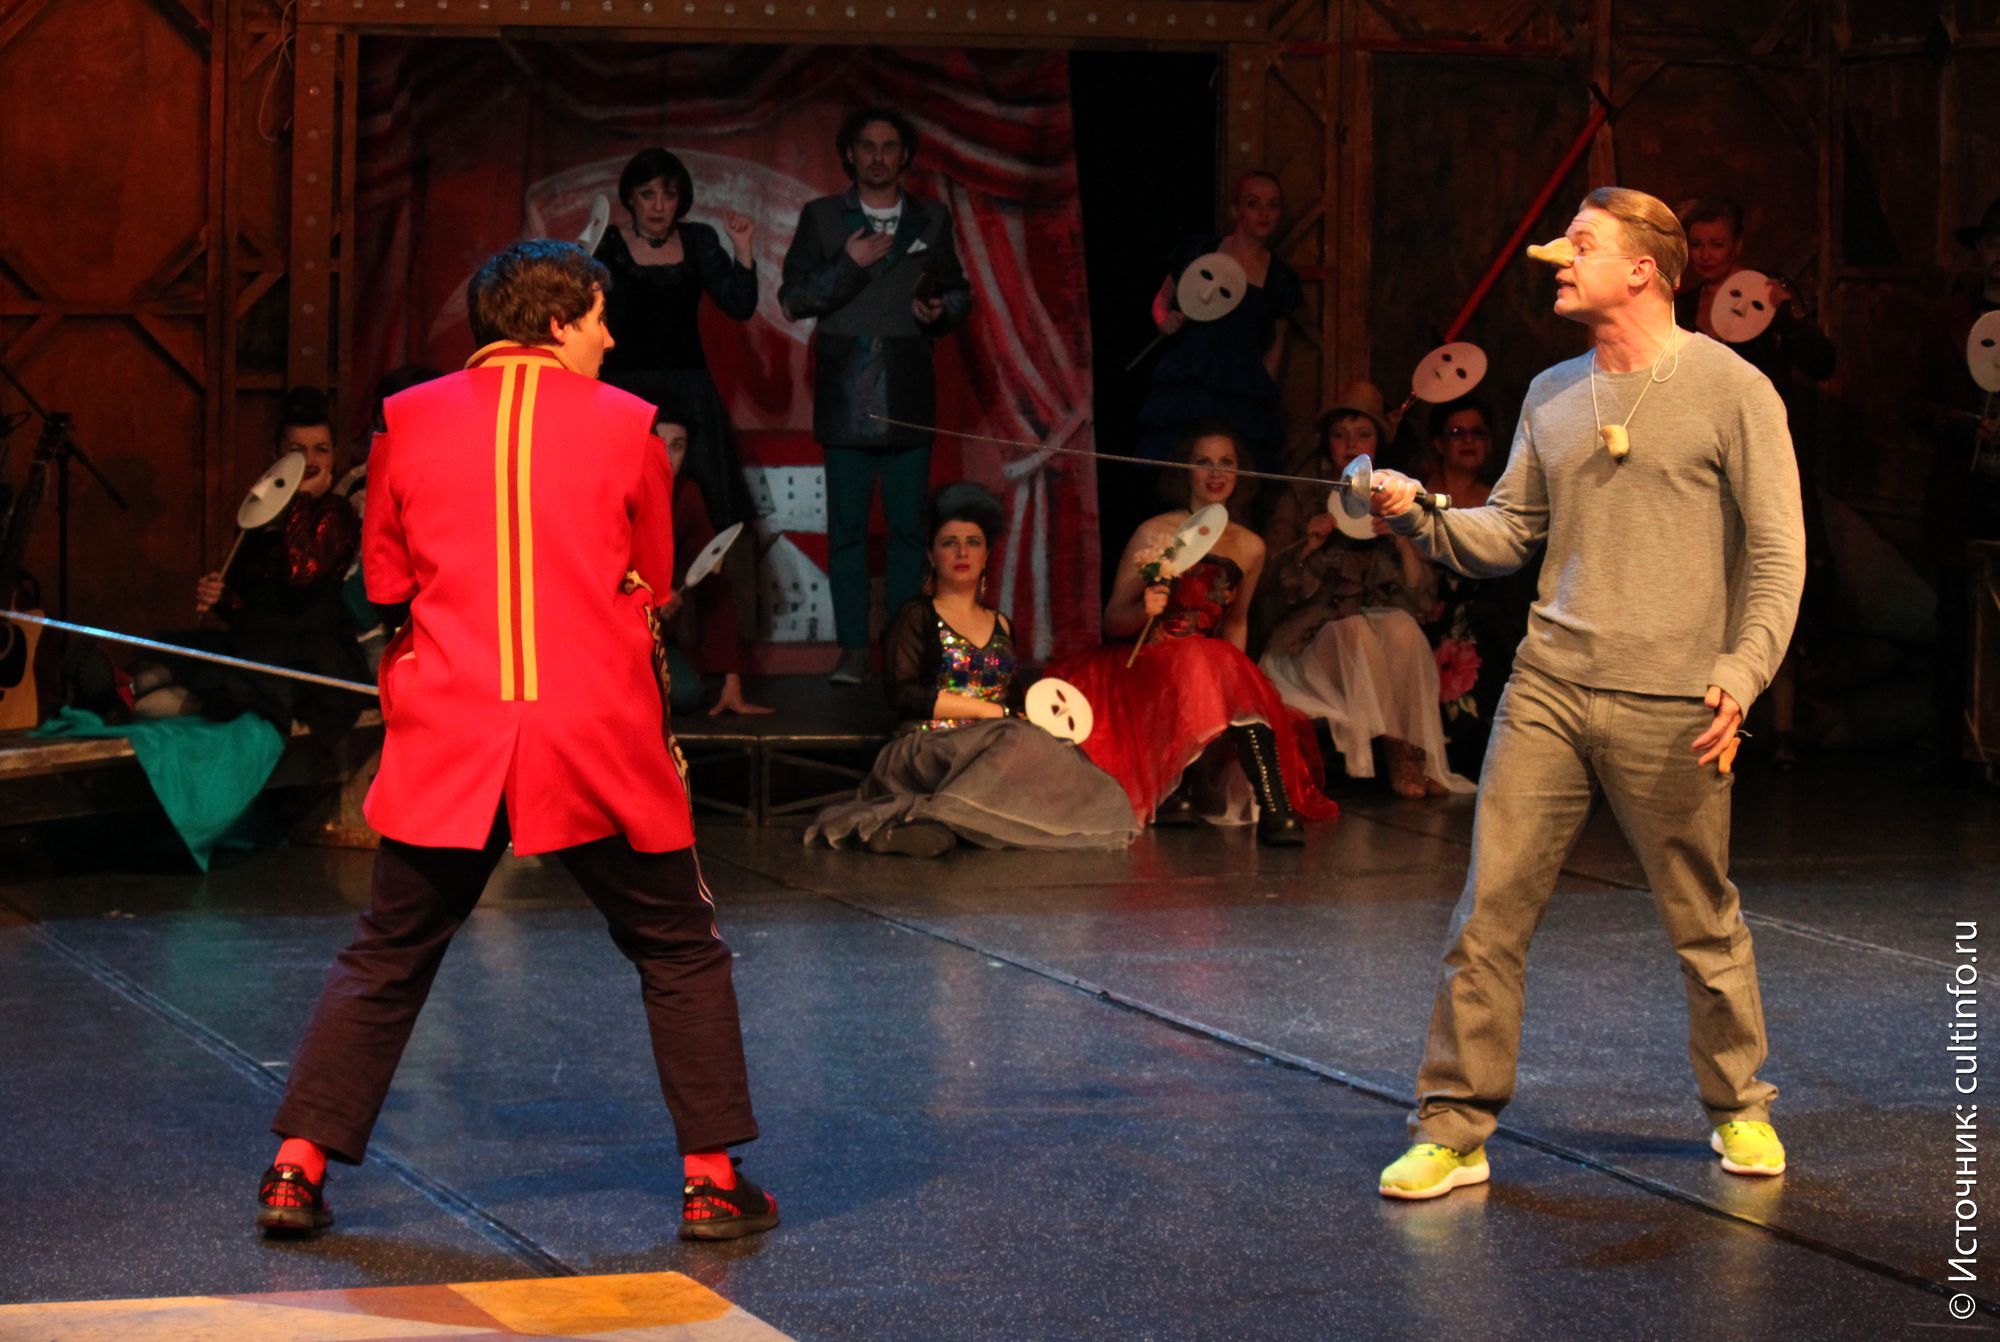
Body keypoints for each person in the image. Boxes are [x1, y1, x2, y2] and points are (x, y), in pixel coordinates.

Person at [255, 240, 778, 1243]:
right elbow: (651, 575)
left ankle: (295, 1167)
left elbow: (386, 581)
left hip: (454, 728)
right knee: (678, 947)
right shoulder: (627, 423)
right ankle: (712, 1181)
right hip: (591, 733)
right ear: (557, 321)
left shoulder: (407, 421)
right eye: (599, 318)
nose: (610, 338)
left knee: (388, 951)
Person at [1371, 187, 1804, 1200]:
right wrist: (1422, 513)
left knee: (1700, 916)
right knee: (1487, 914)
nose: (1559, 264)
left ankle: (1738, 1104)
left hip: (1674, 700)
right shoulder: (1552, 391)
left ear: (1643, 268)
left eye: (1579, 246)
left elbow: (1778, 554)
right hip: (1550, 689)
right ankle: (1453, 1126)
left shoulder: (1732, 388)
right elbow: (1508, 534)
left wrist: (1740, 672)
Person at [806, 483, 1138, 857]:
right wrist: (987, 712)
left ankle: (936, 825)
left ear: (986, 555)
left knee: (1072, 762)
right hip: (930, 745)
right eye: (949, 543)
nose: (962, 552)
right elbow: (903, 693)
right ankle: (932, 818)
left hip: (993, 744)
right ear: (931, 556)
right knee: (1013, 739)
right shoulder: (916, 615)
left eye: (973, 542)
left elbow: (1012, 700)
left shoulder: (1002, 624)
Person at [1049, 420, 1339, 846]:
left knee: (1218, 662)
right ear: (1186, 470)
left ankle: (1276, 806)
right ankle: (1178, 791)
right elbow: (1113, 620)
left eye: (1226, 463)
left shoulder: (1251, 546)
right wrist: (1145, 609)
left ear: (1239, 472)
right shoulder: (1155, 532)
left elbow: (1236, 621)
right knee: (1201, 658)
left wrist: (1239, 683)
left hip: (1208, 667)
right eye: (1204, 462)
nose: (1216, 473)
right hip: (1150, 663)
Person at [779, 106, 972, 686]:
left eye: (889, 146)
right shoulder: (822, 217)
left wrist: (939, 310)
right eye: (867, 146)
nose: (878, 157)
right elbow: (793, 298)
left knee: (910, 529)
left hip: (909, 385)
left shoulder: (930, 217)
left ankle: (901, 652)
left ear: (904, 155)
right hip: (847, 389)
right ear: (850, 153)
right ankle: (854, 651)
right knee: (848, 531)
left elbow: (957, 292)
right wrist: (849, 264)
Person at [1677, 197, 1835, 769]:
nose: (1707, 255)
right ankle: (1699, 723)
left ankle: (1783, 729)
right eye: (1698, 245)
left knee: (1769, 580)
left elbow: (1821, 361)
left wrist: (1789, 312)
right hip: (1697, 464)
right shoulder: (1680, 305)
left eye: (1717, 244)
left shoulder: (1766, 298)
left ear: (1738, 245)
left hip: (1760, 460)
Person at [1255, 384, 1473, 798]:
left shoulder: (1393, 497)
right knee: (1354, 631)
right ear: (1328, 442)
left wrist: (1403, 540)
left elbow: (1421, 601)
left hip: (1373, 631)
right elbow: (1266, 583)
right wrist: (1307, 546)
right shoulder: (1301, 494)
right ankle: (1395, 750)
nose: (1351, 445)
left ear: (1377, 444)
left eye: (1362, 434)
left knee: (1402, 628)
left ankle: (1417, 753)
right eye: (1340, 435)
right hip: (1308, 643)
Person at [154, 386, 368, 741]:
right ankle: (112, 697)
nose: (310, 461)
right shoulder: (258, 515)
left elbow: (301, 573)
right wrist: (220, 596)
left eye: (322, 449)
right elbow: (243, 605)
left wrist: (301, 499)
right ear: (276, 455)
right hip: (254, 642)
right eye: (296, 451)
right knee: (154, 673)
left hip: (307, 655)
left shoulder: (336, 512)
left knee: (165, 702)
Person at [595, 148, 761, 532]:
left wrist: (743, 248)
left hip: (688, 388)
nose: (658, 206)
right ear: (630, 198)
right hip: (624, 391)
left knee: (705, 502)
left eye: (668, 195)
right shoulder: (606, 244)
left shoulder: (698, 240)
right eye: (648, 194)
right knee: (622, 500)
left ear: (680, 200)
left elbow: (739, 304)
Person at [1912, 194, 2000, 782]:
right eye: (1993, 244)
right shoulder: (1950, 319)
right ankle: (1951, 747)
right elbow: (1914, 403)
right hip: (1961, 493)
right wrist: (1963, 424)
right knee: (1954, 622)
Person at [1133, 171, 1300, 474]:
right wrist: (1163, 319)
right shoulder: (1200, 251)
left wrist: (1263, 394)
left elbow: (1276, 346)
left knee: (1234, 470)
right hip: (1192, 379)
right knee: (1182, 465)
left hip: (1241, 388)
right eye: (1253, 203)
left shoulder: (1280, 278)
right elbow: (1162, 299)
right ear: (1236, 210)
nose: (1263, 213)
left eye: (1273, 205)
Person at [1418, 396, 1528, 775]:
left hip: (1484, 619)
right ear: (1439, 443)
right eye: (1457, 433)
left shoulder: (1499, 501)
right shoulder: (1417, 494)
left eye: (1477, 433)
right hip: (1422, 611)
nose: (1468, 441)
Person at [654, 404, 771, 717]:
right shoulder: (616, 490)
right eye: (659, 445)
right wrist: (645, 600)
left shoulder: (687, 495)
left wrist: (730, 679)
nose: (667, 456)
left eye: (678, 446)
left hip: (652, 640)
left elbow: (712, 580)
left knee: (687, 694)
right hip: (605, 638)